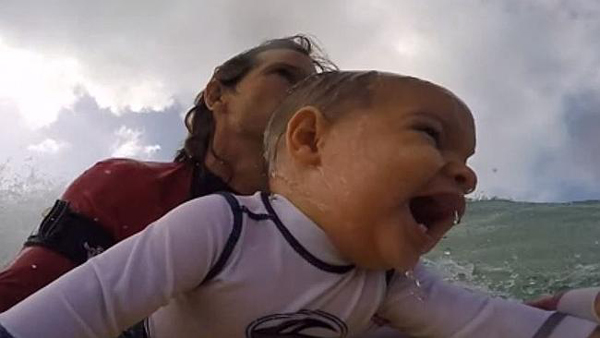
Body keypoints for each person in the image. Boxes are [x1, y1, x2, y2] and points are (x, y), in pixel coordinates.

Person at [0, 71, 598, 338]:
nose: (467, 175)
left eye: (468, 158)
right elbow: (81, 308)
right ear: (308, 140)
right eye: (431, 137)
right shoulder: (217, 224)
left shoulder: (385, 277)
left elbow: (482, 323)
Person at [0, 34, 335, 312]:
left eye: (315, 89)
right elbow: (20, 298)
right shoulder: (123, 185)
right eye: (284, 75)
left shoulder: (319, 229)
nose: (305, 95)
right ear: (217, 94)